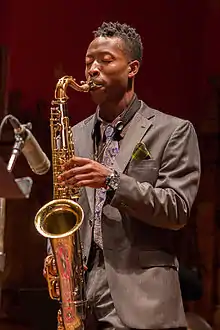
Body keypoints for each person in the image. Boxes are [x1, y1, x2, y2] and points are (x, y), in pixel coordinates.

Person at [58, 22, 201, 330]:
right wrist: (55, 256)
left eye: (105, 60)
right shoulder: (74, 135)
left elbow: (176, 210)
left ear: (132, 68)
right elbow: (63, 207)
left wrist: (111, 181)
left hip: (142, 298)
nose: (93, 70)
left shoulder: (173, 131)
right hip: (81, 296)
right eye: (88, 63)